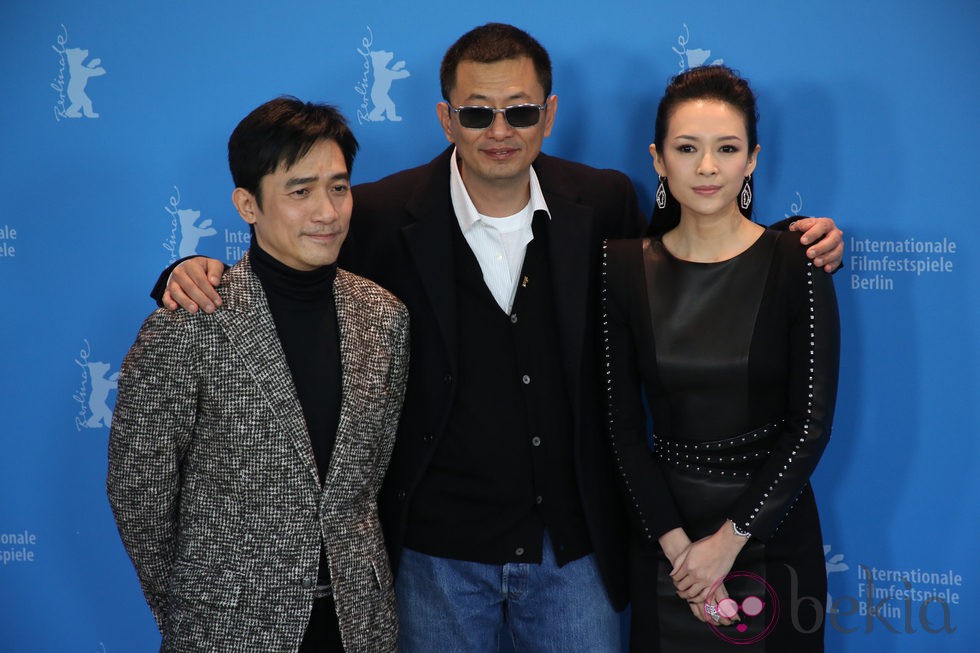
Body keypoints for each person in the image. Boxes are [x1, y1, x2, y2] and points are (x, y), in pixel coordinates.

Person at [151, 25, 843, 652]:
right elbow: (295, 272)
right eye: (477, 113)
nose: (499, 130)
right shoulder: (383, 216)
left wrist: (789, 244)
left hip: (573, 555)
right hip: (433, 559)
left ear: (550, 113)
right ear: (446, 117)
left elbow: (694, 257)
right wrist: (189, 272)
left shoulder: (602, 202)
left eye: (519, 110)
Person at [107, 97, 409, 652]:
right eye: (300, 191)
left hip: (359, 623)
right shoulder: (191, 322)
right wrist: (194, 603)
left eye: (339, 187)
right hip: (228, 626)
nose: (327, 211)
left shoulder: (383, 316)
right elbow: (140, 494)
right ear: (248, 204)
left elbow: (370, 479)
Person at [603, 65, 839, 652]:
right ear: (658, 159)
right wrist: (683, 553)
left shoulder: (798, 262)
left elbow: (808, 427)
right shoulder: (623, 267)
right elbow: (621, 429)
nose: (707, 167)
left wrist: (727, 542)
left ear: (751, 159)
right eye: (688, 149)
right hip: (666, 542)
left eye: (726, 148)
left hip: (772, 533)